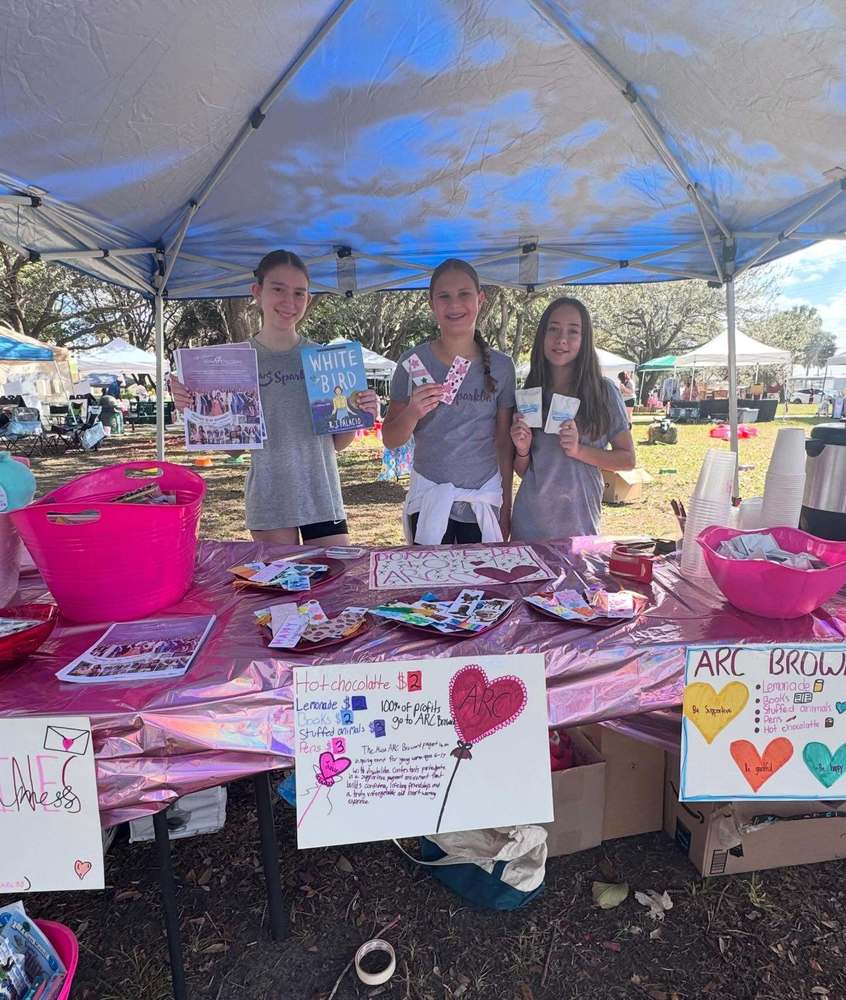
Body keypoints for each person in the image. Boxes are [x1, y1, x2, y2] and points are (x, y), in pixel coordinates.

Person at [170, 249, 379, 545]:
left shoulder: (326, 359)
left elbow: (338, 444)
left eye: (299, 293)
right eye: (278, 289)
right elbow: (233, 450)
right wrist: (193, 407)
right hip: (269, 501)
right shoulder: (235, 364)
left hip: (323, 497)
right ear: (257, 292)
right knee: (282, 590)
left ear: (308, 298)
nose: (289, 302)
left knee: (334, 587)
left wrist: (360, 411)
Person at [382, 258, 516, 544]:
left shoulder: (503, 367)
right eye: (444, 296)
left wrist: (506, 505)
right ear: (432, 303)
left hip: (483, 500)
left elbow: (503, 442)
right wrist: (413, 413)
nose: (454, 304)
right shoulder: (412, 362)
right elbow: (391, 439)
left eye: (464, 294)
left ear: (480, 299)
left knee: (481, 585)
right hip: (429, 498)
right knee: (431, 584)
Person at [510, 297, 636, 541]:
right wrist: (522, 450)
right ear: (542, 336)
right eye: (553, 329)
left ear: (585, 340)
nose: (561, 339)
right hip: (528, 527)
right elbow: (524, 471)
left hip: (579, 526)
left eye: (573, 331)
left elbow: (627, 459)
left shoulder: (604, 392)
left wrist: (579, 451)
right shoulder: (531, 392)